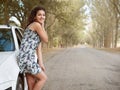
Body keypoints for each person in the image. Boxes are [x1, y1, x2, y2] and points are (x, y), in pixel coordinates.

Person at [17, 6, 48, 90]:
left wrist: (41, 63)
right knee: (43, 78)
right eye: (39, 15)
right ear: (35, 16)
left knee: (31, 85)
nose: (42, 17)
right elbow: (46, 39)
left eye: (43, 15)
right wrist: (43, 26)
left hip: (25, 58)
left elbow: (39, 49)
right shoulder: (36, 25)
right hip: (27, 58)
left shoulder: (36, 31)